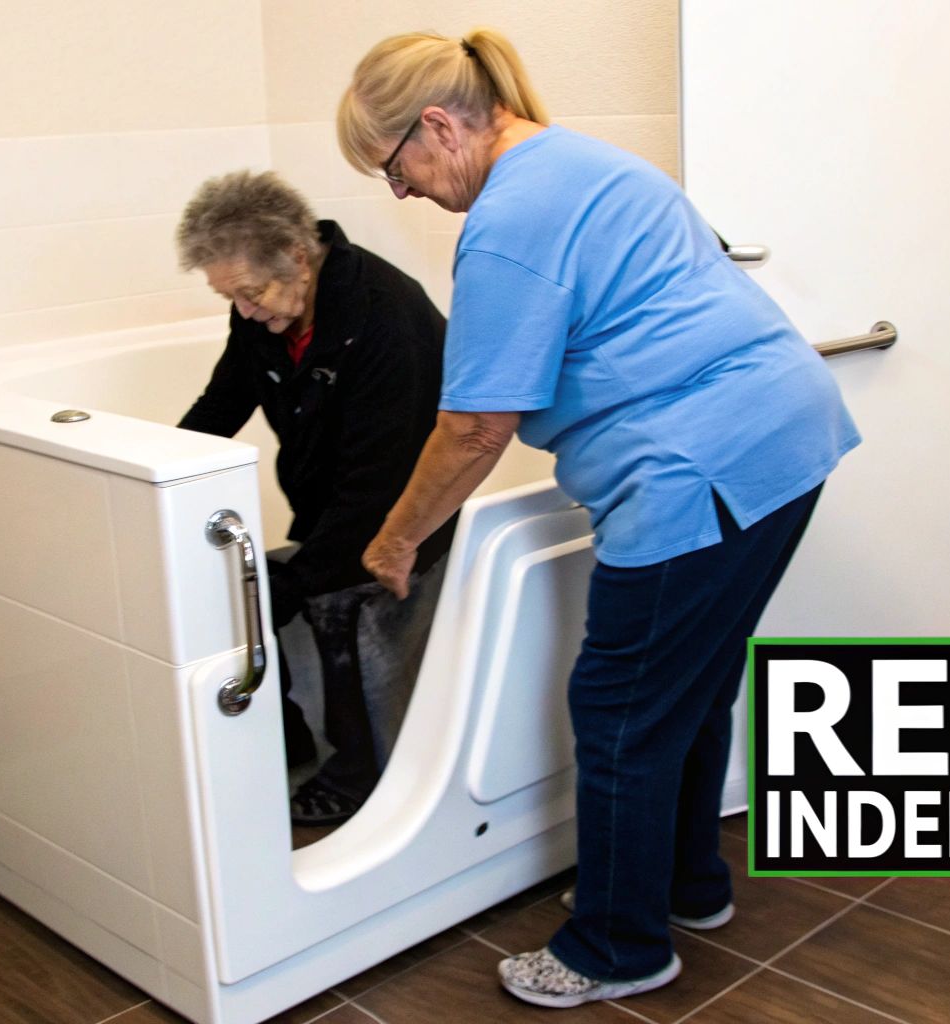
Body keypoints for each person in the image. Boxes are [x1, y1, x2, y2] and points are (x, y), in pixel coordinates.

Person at [337, 29, 860, 1008]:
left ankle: (613, 946)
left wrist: (395, 536)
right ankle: (681, 883)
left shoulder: (505, 219)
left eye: (393, 166)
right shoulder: (586, 161)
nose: (400, 193)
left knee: (618, 709)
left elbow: (472, 426)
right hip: (783, 434)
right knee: (691, 684)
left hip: (693, 468)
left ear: (438, 125)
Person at [175, 170, 454, 826]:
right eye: (231, 298)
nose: (244, 311)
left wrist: (296, 582)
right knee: (240, 594)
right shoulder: (265, 306)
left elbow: (376, 488)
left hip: (404, 513)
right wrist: (159, 473)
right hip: (326, 502)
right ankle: (289, 734)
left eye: (249, 294)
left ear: (298, 257)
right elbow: (222, 402)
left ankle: (360, 773)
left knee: (333, 607)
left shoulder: (384, 318)